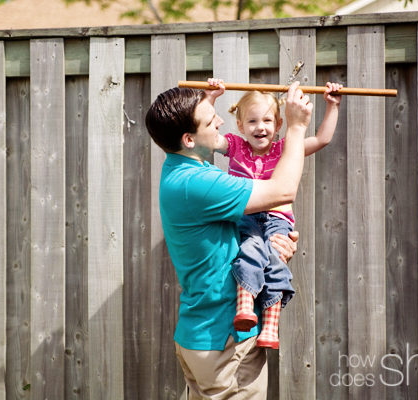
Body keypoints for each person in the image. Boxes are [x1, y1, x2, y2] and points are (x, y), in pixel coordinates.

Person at [145, 81, 311, 399]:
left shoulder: (180, 168)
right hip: (223, 339)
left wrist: (270, 249)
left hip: (202, 333)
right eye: (211, 121)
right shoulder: (198, 183)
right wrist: (297, 126)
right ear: (189, 139)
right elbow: (283, 191)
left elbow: (233, 234)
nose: (220, 121)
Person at [207, 78, 343, 350]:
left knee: (275, 259)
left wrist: (333, 106)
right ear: (240, 126)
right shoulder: (236, 146)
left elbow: (323, 138)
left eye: (268, 121)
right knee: (251, 248)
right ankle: (245, 306)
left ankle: (270, 326)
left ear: (279, 125)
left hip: (278, 219)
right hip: (246, 217)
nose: (260, 127)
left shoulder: (285, 149)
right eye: (253, 121)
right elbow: (209, 137)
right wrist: (210, 99)